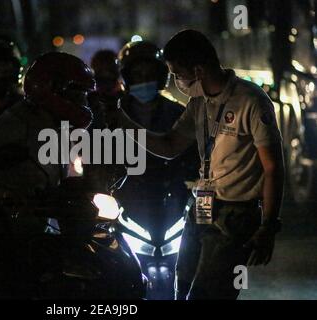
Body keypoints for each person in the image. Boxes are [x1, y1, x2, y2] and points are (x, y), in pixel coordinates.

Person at [118, 30, 284, 300]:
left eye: (177, 73)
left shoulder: (251, 102)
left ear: (197, 70)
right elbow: (171, 145)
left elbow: (273, 168)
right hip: (201, 208)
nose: (175, 81)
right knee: (180, 289)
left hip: (235, 217)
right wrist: (124, 125)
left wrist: (268, 226)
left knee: (207, 296)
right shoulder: (199, 103)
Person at [0, 52, 95, 297]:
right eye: (77, 94)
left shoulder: (58, 125)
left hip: (31, 231)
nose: (83, 101)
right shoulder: (17, 121)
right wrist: (4, 193)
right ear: (52, 89)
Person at [115, 40, 197, 247]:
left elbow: (195, 158)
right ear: (127, 77)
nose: (144, 80)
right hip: (127, 198)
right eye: (137, 75)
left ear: (160, 77)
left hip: (172, 198)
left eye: (149, 74)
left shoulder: (179, 113)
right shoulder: (112, 114)